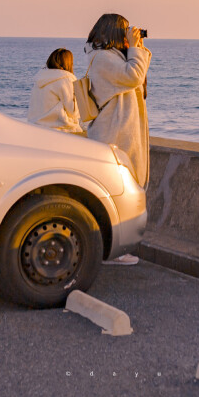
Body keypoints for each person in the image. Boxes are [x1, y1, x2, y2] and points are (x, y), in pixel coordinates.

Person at [85, 13, 151, 265]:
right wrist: (134, 49)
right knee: (114, 195)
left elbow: (138, 78)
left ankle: (112, 248)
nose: (128, 35)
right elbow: (133, 76)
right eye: (125, 31)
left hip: (121, 135)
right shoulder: (101, 58)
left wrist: (137, 48)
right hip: (113, 136)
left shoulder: (112, 58)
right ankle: (111, 250)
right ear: (114, 33)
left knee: (120, 194)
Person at [28, 48, 82, 133]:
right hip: (60, 130)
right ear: (68, 63)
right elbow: (74, 112)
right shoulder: (65, 79)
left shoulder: (40, 78)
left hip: (36, 126)